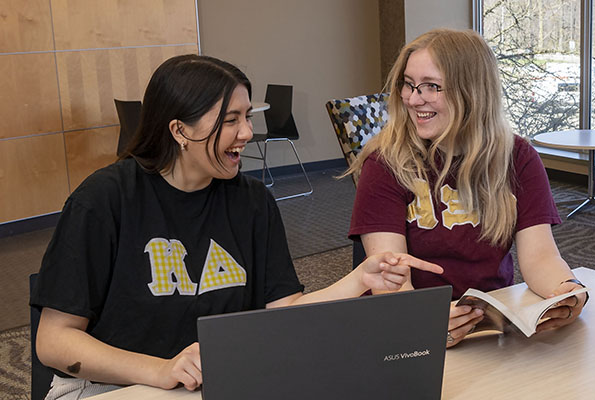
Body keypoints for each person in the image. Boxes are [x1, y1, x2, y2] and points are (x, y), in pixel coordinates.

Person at [30, 54, 443, 399]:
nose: (247, 133)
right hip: (114, 386)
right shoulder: (104, 200)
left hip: (217, 384)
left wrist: (358, 281)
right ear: (179, 130)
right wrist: (161, 370)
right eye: (231, 120)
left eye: (247, 116)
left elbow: (284, 313)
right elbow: (54, 341)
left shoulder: (251, 201)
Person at [347, 29, 589, 348]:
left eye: (431, 86)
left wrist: (568, 290)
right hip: (404, 327)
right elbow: (390, 281)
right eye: (408, 84)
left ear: (472, 92)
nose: (413, 98)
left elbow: (540, 256)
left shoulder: (517, 158)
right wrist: (424, 321)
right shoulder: (384, 164)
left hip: (489, 327)